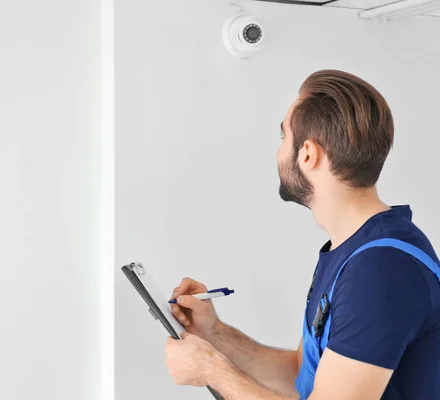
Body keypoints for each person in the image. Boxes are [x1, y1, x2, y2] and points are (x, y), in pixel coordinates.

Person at [164, 70, 440, 399]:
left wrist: (212, 371)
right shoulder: (353, 252)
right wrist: (216, 334)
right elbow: (301, 373)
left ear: (308, 153)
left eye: (284, 139)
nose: (279, 153)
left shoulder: (381, 269)